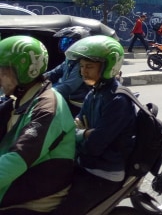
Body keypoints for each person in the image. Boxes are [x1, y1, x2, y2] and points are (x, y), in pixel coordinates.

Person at [53, 35, 136, 215]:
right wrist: (84, 133)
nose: (83, 72)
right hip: (86, 164)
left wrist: (83, 134)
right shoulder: (93, 93)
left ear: (107, 67)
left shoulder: (118, 99)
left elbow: (94, 146)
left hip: (104, 171)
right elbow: (73, 129)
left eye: (89, 67)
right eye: (82, 66)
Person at [0, 36, 76, 214]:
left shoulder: (46, 107)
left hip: (39, 190)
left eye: (3, 71)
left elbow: (20, 156)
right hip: (19, 176)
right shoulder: (20, 97)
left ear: (23, 71)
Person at [43, 26, 91, 117]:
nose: (65, 46)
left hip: (78, 104)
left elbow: (68, 86)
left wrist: (45, 93)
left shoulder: (83, 64)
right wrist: (36, 79)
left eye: (69, 43)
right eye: (63, 42)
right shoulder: (69, 59)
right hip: (67, 99)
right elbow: (54, 73)